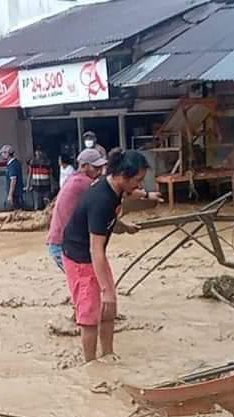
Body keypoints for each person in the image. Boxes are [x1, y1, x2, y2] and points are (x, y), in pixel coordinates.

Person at [61, 149, 147, 362]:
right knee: (90, 317)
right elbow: (95, 249)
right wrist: (106, 290)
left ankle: (108, 354)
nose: (140, 185)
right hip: (80, 258)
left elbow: (107, 221)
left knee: (109, 309)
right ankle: (90, 364)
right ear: (123, 176)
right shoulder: (101, 199)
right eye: (138, 180)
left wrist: (124, 227)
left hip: (92, 254)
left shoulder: (114, 189)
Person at [46, 149, 105, 272]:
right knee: (84, 279)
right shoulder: (84, 183)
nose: (100, 171)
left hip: (62, 242)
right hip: (64, 244)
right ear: (84, 166)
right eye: (96, 167)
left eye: (101, 167)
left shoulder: (75, 179)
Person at [0, 144, 24, 210]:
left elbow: (13, 180)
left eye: (3, 153)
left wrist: (10, 195)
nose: (2, 155)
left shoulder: (13, 165)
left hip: (15, 194)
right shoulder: (13, 163)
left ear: (7, 153)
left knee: (17, 210)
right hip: (16, 193)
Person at [28, 146, 52, 211]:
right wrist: (28, 185)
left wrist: (52, 186)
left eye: (40, 151)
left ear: (43, 152)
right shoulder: (32, 161)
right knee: (37, 205)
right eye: (37, 151)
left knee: (47, 205)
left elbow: (50, 174)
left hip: (46, 186)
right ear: (35, 152)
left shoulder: (47, 162)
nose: (38, 153)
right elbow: (30, 174)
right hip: (36, 186)